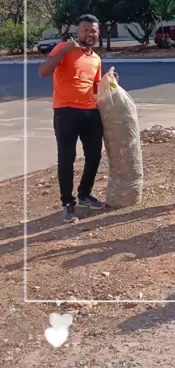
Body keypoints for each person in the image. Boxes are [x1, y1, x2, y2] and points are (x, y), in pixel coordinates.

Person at [39, 14, 105, 224]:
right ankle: (68, 203)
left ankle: (85, 193)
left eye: (93, 30)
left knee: (94, 155)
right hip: (66, 111)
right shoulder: (63, 48)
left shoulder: (96, 59)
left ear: (98, 33)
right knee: (67, 158)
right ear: (78, 31)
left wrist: (109, 83)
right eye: (85, 30)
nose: (89, 34)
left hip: (91, 112)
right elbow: (43, 72)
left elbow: (96, 87)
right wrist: (65, 50)